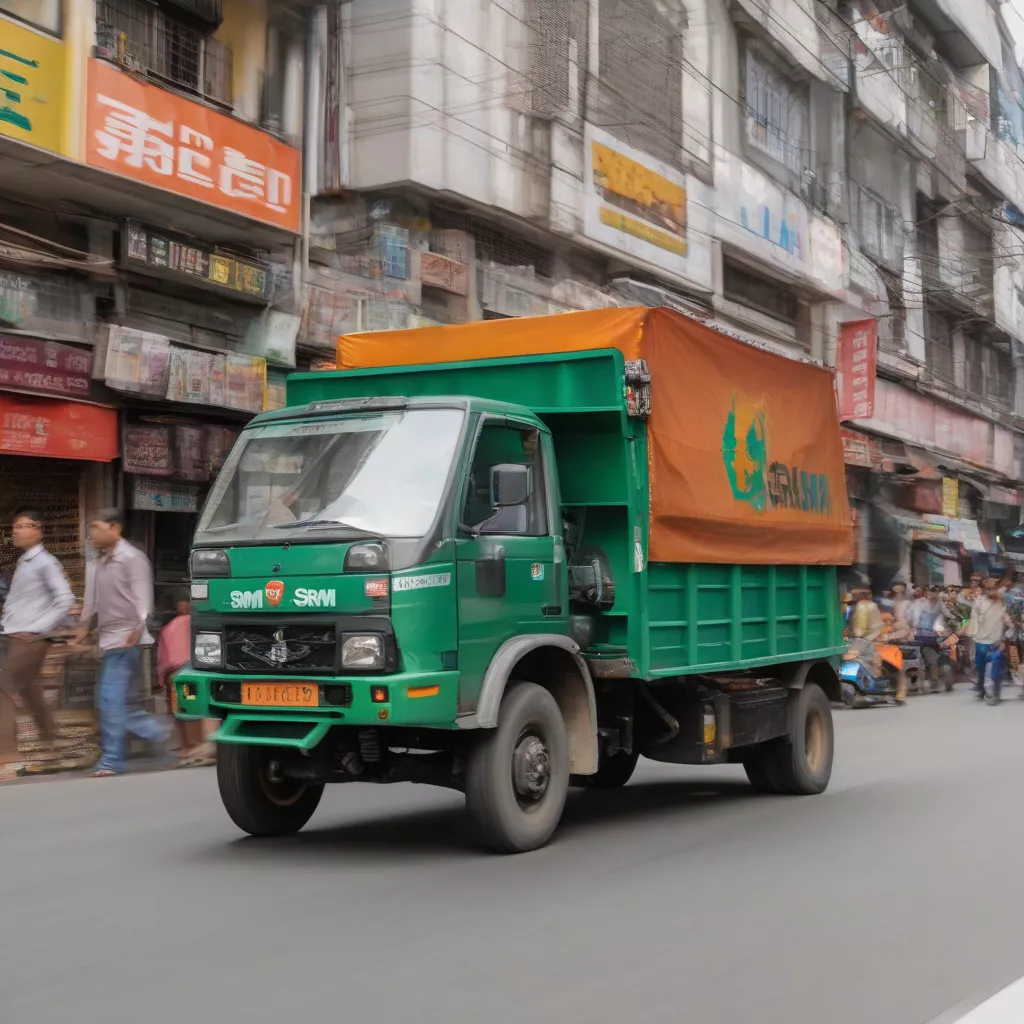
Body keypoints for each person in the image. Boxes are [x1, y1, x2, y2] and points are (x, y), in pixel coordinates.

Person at [74, 509, 171, 777]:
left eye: (96, 527)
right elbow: (93, 601)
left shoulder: (132, 558)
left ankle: (112, 760)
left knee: (110, 700)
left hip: (125, 640)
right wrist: (83, 629)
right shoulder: (100, 561)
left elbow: (143, 599)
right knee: (117, 703)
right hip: (109, 641)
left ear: (114, 528)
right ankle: (157, 732)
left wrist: (137, 629)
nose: (92, 533)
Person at [0, 510, 76, 776]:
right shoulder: (25, 561)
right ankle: (53, 748)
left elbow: (66, 600)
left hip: (29, 639)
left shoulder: (45, 562)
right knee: (31, 693)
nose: (16, 531)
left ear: (38, 529)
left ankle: (8, 757)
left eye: (22, 526)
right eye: (15, 526)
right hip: (17, 636)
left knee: (3, 689)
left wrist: (38, 629)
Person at [156, 592, 216, 767]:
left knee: (185, 712)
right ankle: (205, 745)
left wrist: (163, 683)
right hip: (193, 672)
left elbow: (162, 661)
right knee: (201, 708)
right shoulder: (196, 621)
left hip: (178, 676)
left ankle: (190, 748)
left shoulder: (167, 629)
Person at [967, 578, 1010, 705]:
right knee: (980, 666)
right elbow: (973, 618)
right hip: (980, 639)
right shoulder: (979, 601)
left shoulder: (1003, 601)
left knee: (994, 666)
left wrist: (1010, 625)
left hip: (996, 640)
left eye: (994, 588)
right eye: (989, 588)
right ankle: (981, 687)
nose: (992, 590)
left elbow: (1007, 617)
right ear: (985, 589)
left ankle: (994, 693)